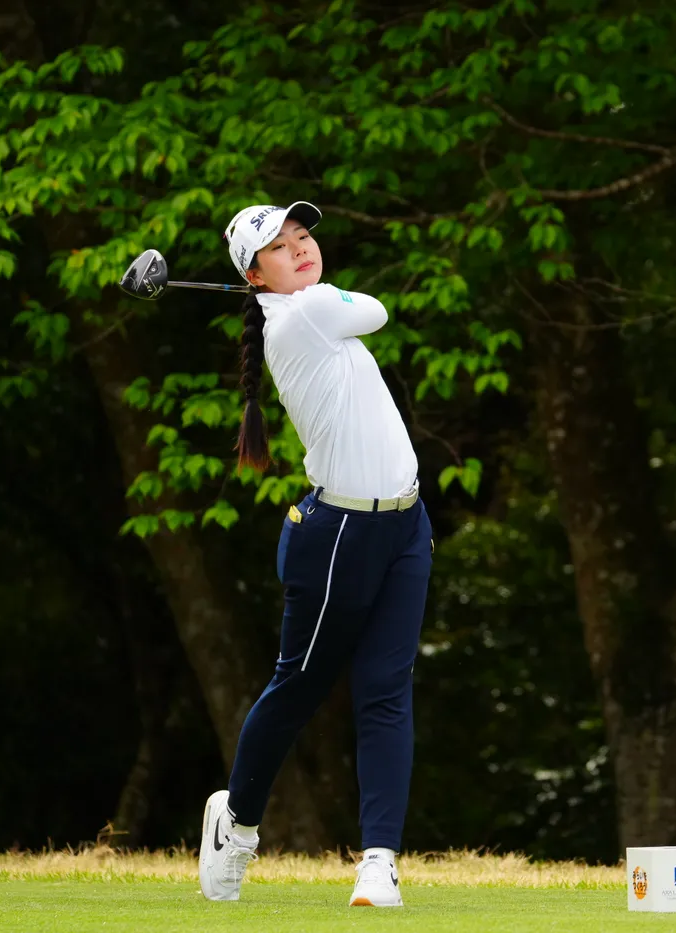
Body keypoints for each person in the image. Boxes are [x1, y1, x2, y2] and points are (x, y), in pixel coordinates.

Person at [197, 201, 432, 908]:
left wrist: (301, 286)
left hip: (406, 526)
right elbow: (378, 310)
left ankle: (379, 863)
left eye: (302, 235)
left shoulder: (310, 309)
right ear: (254, 274)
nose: (300, 247)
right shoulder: (306, 315)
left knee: (386, 689)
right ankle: (236, 826)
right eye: (279, 245)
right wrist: (314, 292)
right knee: (299, 686)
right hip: (339, 536)